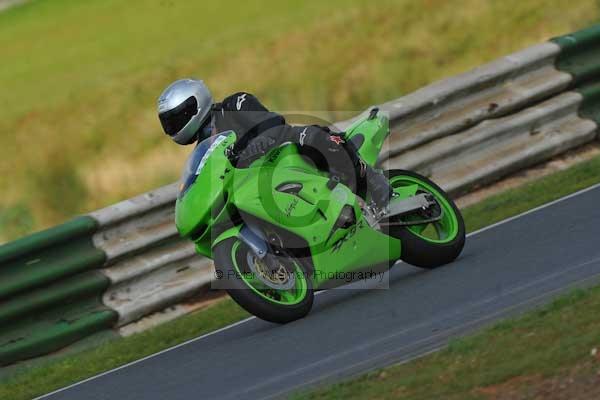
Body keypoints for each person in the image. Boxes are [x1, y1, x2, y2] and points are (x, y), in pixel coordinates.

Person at [157, 78, 392, 209]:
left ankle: (371, 179)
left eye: (176, 118)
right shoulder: (205, 149)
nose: (173, 127)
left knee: (312, 136)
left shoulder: (235, 104)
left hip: (283, 150)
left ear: (194, 105)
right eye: (168, 122)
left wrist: (251, 145)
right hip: (261, 182)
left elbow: (271, 123)